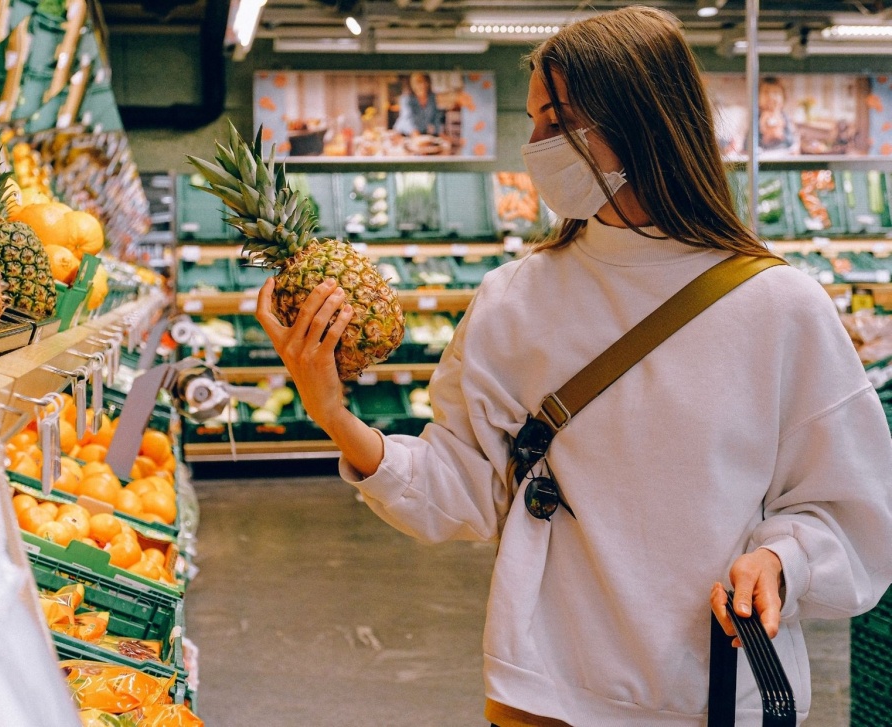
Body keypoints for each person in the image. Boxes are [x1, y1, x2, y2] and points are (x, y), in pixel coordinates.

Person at [255, 6, 892, 726]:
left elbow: (857, 510)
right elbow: (460, 493)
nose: (533, 146)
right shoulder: (515, 299)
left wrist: (784, 559)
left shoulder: (779, 307)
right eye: (533, 121)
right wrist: (333, 414)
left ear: (642, 121)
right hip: (544, 694)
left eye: (556, 121)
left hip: (715, 694)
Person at [392, 72, 441, 136]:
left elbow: (435, 117)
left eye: (425, 81)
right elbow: (408, 118)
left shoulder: (432, 97)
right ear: (412, 85)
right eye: (419, 82)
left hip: (421, 133)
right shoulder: (406, 98)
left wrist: (439, 132)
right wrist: (415, 134)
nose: (423, 85)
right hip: (403, 133)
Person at [758, 76, 795, 151]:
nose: (771, 97)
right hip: (762, 155)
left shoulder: (785, 117)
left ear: (783, 98)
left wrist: (782, 135)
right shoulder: (756, 118)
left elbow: (791, 141)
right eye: (766, 92)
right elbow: (747, 143)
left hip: (782, 153)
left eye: (775, 92)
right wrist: (764, 138)